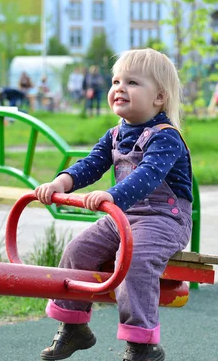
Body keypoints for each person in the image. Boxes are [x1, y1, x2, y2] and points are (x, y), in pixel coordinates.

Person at [33, 48, 192, 361]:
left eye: (132, 82)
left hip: (163, 220)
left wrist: (112, 195)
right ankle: (73, 326)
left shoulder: (166, 137)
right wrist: (61, 183)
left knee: (133, 259)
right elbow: (92, 164)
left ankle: (143, 344)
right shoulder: (116, 134)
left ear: (159, 97)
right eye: (116, 80)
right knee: (77, 251)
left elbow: (147, 176)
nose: (119, 87)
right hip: (122, 216)